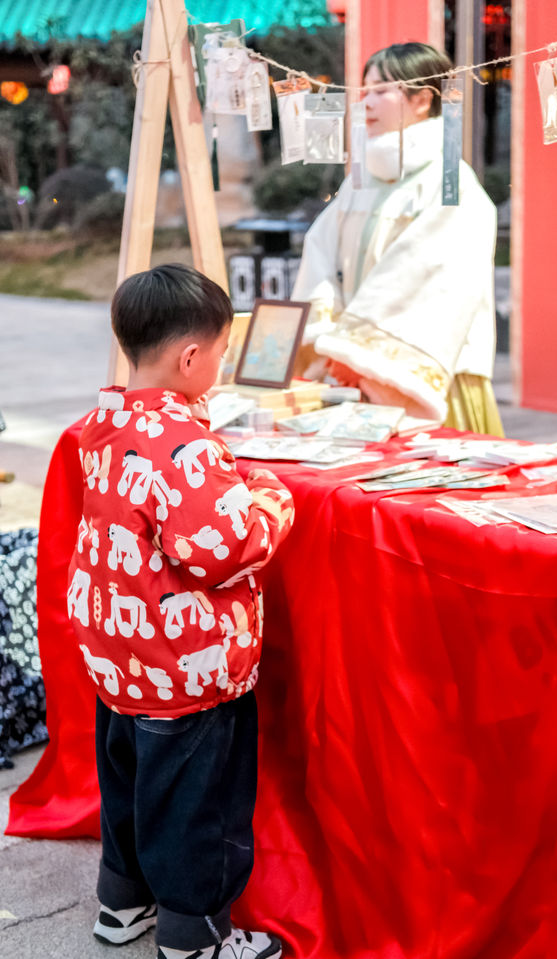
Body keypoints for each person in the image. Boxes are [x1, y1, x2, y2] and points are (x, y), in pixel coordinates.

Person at [66, 263, 293, 959]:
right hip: (186, 672)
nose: (221, 367)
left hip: (120, 661)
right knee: (199, 806)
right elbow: (223, 549)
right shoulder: (185, 444)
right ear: (191, 357)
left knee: (129, 789)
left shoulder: (102, 424)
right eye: (221, 354)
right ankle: (196, 936)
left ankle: (120, 904)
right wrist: (271, 498)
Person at [292, 42, 503, 435]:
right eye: (364, 90)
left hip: (420, 377)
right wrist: (332, 343)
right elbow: (319, 252)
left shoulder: (450, 182)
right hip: (347, 366)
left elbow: (422, 276)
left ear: (422, 99)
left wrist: (354, 353)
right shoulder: (360, 181)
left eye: (381, 91)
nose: (366, 102)